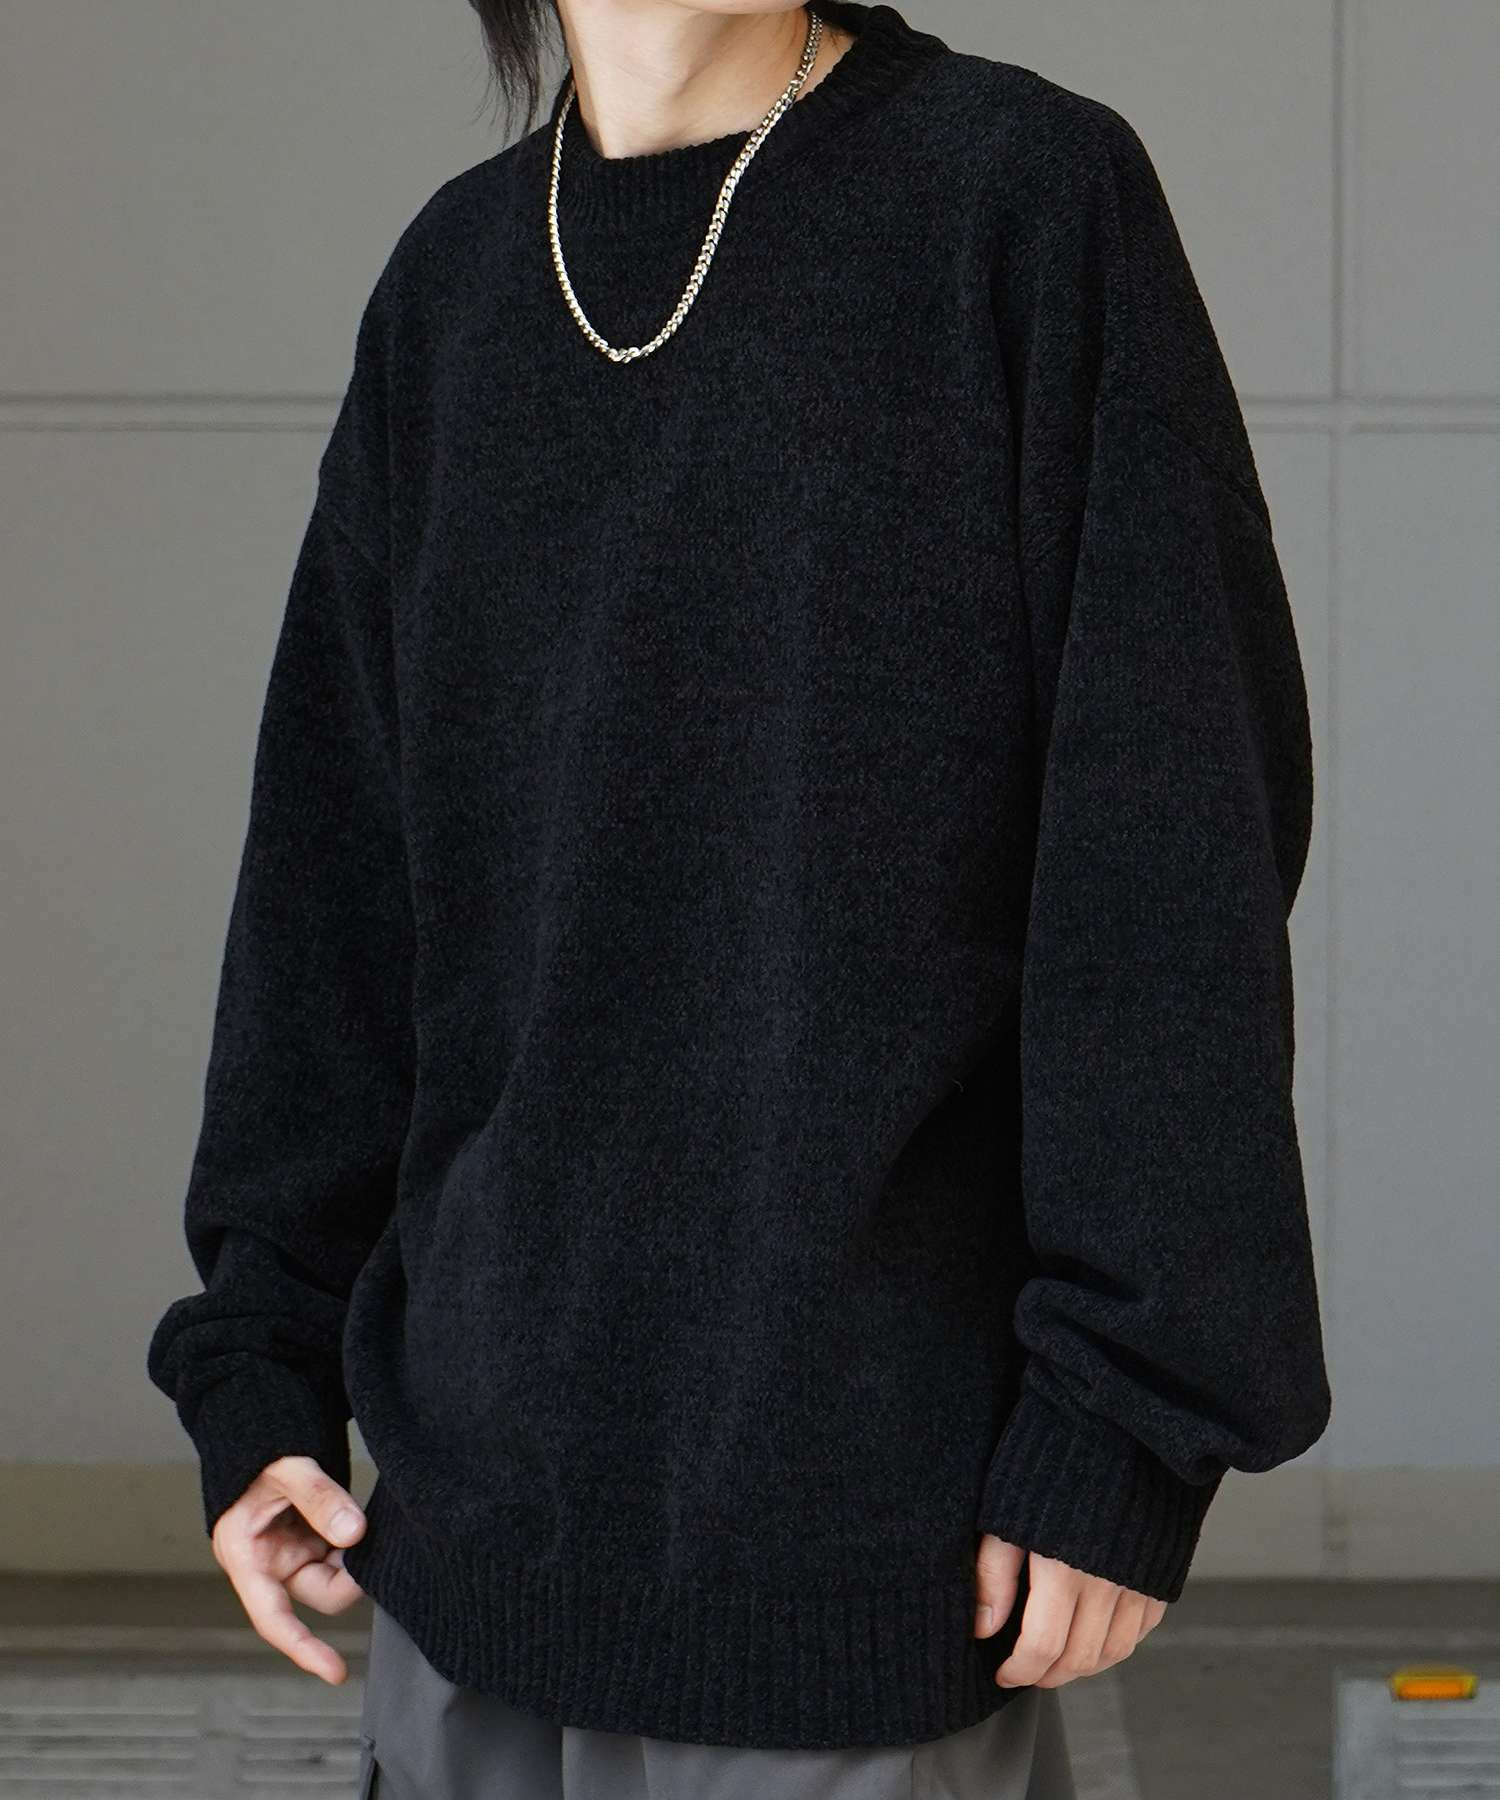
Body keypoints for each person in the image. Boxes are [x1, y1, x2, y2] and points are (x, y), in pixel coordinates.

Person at [146, 1, 1333, 1794]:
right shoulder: (455, 284)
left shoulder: (1017, 197)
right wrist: (260, 1366)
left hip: (866, 1542)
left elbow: (1172, 841)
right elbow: (333, 894)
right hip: (463, 1545)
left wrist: (1130, 1411)